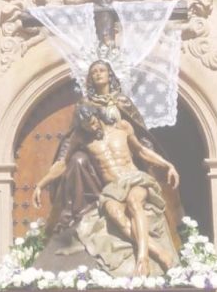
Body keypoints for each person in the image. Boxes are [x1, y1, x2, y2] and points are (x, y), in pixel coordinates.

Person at [32, 61, 180, 277]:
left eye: (93, 122)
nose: (92, 127)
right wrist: (40, 184)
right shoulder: (83, 137)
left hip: (134, 179)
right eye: (86, 126)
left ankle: (143, 258)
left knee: (134, 203)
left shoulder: (122, 127)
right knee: (115, 214)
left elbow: (141, 150)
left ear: (98, 116)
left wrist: (167, 165)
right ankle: (157, 250)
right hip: (112, 188)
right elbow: (63, 162)